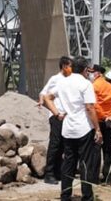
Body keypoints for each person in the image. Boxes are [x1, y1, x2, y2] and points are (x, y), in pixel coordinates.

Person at [44, 56, 102, 201]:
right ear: (84, 70)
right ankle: (87, 196)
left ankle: (65, 195)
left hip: (68, 129)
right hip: (83, 129)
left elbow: (47, 98)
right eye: (88, 70)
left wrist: (57, 113)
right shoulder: (85, 84)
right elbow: (89, 107)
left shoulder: (63, 82)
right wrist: (98, 129)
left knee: (68, 163)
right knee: (85, 163)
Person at [39, 56, 72, 184]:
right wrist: (42, 101)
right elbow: (43, 92)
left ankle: (58, 171)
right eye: (70, 66)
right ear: (64, 66)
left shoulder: (69, 80)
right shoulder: (55, 79)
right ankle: (49, 173)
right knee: (55, 144)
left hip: (66, 117)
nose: (71, 69)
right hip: (56, 116)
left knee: (63, 145)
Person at [92, 64, 111, 184]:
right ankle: (109, 177)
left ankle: (94, 177)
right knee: (108, 148)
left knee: (96, 149)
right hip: (109, 122)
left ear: (97, 74)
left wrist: (102, 116)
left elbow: (94, 104)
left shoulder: (93, 86)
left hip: (97, 121)